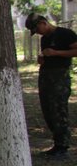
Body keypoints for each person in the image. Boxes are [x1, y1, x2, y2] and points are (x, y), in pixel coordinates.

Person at [26, 13, 77, 158]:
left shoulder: (65, 34)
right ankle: (57, 144)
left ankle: (63, 146)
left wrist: (56, 52)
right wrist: (42, 59)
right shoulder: (45, 39)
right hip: (46, 75)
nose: (38, 33)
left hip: (59, 77)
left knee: (58, 110)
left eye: (37, 29)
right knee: (48, 110)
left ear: (43, 22)